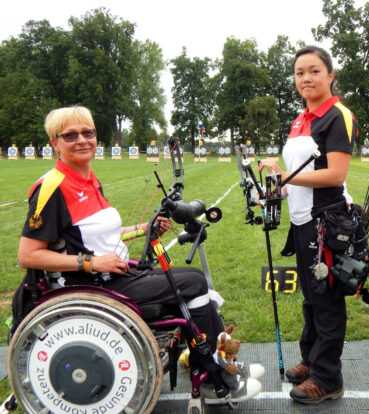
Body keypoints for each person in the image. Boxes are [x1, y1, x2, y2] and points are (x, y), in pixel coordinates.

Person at [16, 105, 262, 401]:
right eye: (70, 135)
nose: (81, 139)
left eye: (88, 132)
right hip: (95, 285)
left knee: (194, 283)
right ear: (54, 143)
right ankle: (217, 375)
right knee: (194, 281)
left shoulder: (88, 179)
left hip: (117, 274)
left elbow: (100, 235)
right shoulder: (52, 187)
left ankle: (221, 365)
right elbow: (28, 255)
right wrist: (91, 262)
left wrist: (145, 228)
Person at [258, 45, 357, 404]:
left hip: (327, 221)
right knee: (311, 298)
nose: (306, 78)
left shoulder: (337, 115)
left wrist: (285, 177)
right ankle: (312, 360)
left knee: (327, 299)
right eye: (300, 73)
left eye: (314, 71)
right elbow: (298, 176)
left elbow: (334, 174)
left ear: (330, 76)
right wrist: (274, 191)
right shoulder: (301, 119)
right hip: (302, 222)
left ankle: (328, 378)